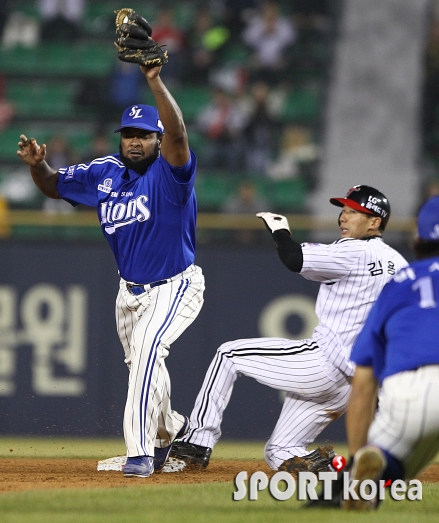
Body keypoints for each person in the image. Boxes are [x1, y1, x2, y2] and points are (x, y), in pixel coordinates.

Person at [17, 62, 205, 479]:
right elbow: (53, 184)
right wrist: (36, 165)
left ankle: (137, 456)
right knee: (142, 361)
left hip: (175, 283)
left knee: (146, 357)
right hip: (130, 290)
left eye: (144, 135)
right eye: (129, 135)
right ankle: (169, 433)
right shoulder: (104, 173)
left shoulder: (171, 173)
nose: (135, 142)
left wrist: (154, 80)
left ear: (158, 140)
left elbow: (179, 135)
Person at [170, 185, 407, 473]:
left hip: (323, 363)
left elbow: (294, 258)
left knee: (228, 355)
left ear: (375, 222)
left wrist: (279, 231)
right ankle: (342, 469)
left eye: (353, 212)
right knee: (280, 451)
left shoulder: (353, 251)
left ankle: (196, 443)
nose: (343, 217)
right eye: (343, 210)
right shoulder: (399, 263)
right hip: (351, 385)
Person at [341, 195, 439, 510]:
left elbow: (363, 383)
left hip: (413, 390)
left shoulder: (398, 284)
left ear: (418, 239)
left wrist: (356, 458)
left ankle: (371, 469)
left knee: (386, 464)